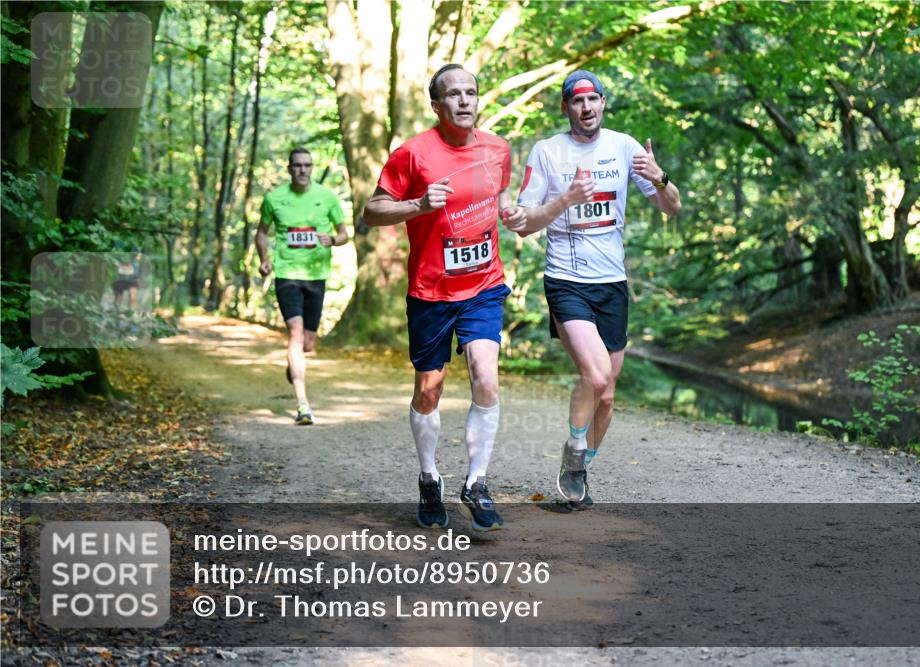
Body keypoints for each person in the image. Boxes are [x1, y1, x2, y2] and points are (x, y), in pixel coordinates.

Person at [505, 70, 681, 508]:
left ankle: (579, 465)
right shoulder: (547, 152)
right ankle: (575, 448)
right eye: (576, 101)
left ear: (603, 103)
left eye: (593, 100)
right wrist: (565, 200)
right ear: (565, 108)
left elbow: (671, 207)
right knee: (596, 374)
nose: (585, 107)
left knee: (608, 393)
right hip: (566, 279)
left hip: (612, 283)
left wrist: (659, 177)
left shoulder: (624, 147)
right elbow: (525, 225)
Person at [363, 64, 526, 531]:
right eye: (453, 95)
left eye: (471, 93)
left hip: (483, 286)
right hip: (431, 291)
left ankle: (476, 483)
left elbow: (494, 202)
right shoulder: (412, 154)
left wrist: (509, 213)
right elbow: (372, 211)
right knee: (428, 391)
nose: (464, 101)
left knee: (485, 376)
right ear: (436, 106)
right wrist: (417, 205)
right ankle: (429, 477)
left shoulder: (498, 149)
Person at [256, 147, 349, 425]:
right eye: (297, 165)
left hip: (317, 275)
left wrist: (332, 240)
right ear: (289, 168)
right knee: (295, 335)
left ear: (312, 167)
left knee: (307, 343)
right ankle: (303, 404)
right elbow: (261, 233)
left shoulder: (327, 197)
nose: (303, 170)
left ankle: (294, 363)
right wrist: (264, 260)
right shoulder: (274, 199)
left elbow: (344, 233)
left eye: (307, 165)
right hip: (287, 274)